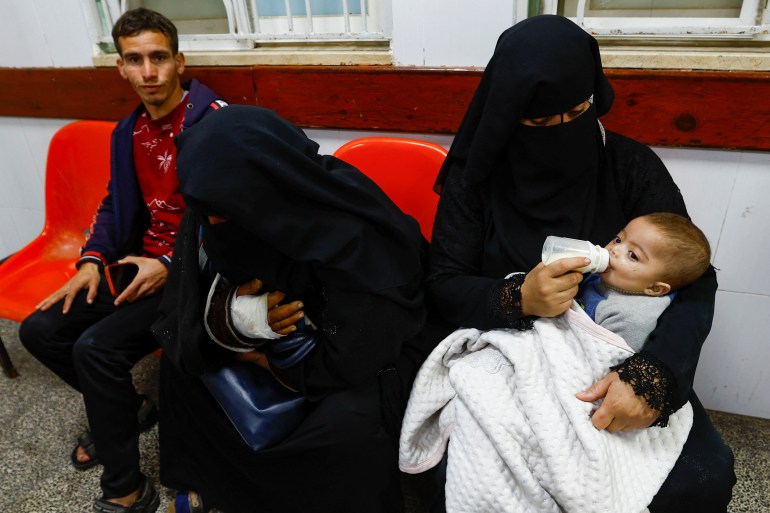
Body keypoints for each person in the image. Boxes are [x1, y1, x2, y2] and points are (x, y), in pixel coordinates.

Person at [424, 14, 735, 512]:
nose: (561, 132)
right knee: (471, 476)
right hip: (510, 357)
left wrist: (653, 377)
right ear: (507, 114)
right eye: (540, 122)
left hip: (619, 358)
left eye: (576, 112)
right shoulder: (475, 176)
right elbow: (443, 282)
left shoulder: (629, 165)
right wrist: (517, 298)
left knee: (702, 479)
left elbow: (694, 281)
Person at [151, 105, 441, 513]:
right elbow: (187, 301)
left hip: (373, 346)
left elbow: (362, 347)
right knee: (181, 364)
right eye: (207, 214)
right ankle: (213, 482)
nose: (211, 226)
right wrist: (235, 320)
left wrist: (264, 359)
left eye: (224, 215)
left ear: (265, 193)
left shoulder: (354, 233)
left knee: (348, 428)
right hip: (270, 335)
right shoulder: (214, 199)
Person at [19, 8, 225, 512]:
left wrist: (172, 267)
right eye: (135, 60)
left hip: (194, 278)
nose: (149, 72)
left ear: (179, 61)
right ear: (121, 68)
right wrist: (91, 260)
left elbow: (238, 220)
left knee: (96, 349)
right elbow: (115, 203)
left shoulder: (218, 122)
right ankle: (127, 408)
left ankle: (127, 490)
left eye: (158, 57)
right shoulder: (127, 131)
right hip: (139, 265)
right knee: (39, 331)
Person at [578, 211, 712, 351]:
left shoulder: (629, 319)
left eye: (633, 255)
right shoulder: (606, 275)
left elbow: (606, 360)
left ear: (654, 288)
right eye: (618, 239)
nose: (614, 249)